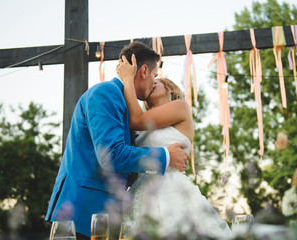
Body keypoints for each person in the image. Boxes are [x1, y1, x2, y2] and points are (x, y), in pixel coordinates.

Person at [45, 42, 190, 240]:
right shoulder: (106, 93)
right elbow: (111, 155)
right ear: (144, 70)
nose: (155, 81)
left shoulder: (122, 103)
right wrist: (165, 156)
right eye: (155, 75)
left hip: (102, 217)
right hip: (80, 214)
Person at [117, 54, 232, 239]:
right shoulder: (144, 126)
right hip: (142, 195)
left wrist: (127, 78)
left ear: (170, 88)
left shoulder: (180, 107)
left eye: (157, 82)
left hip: (172, 191)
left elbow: (135, 119)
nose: (152, 83)